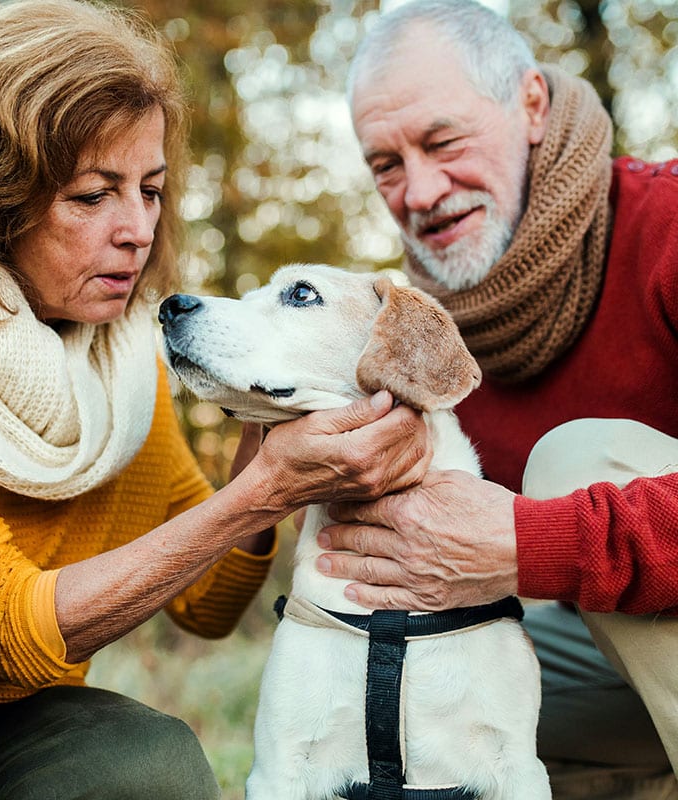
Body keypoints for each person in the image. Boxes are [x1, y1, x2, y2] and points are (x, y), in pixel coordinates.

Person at [0, 2, 428, 798]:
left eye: (152, 189)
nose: (138, 229)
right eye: (93, 196)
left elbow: (207, 602)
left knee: (143, 762)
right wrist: (268, 491)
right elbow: (8, 632)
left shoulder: (116, 359)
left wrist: (269, 412)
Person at [315, 0, 678, 797]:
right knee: (432, 669)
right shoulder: (419, 341)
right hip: (622, 647)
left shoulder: (669, 226)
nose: (420, 190)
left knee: (577, 462)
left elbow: (531, 540)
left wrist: (534, 541)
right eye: (385, 164)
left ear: (532, 105)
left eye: (443, 141)